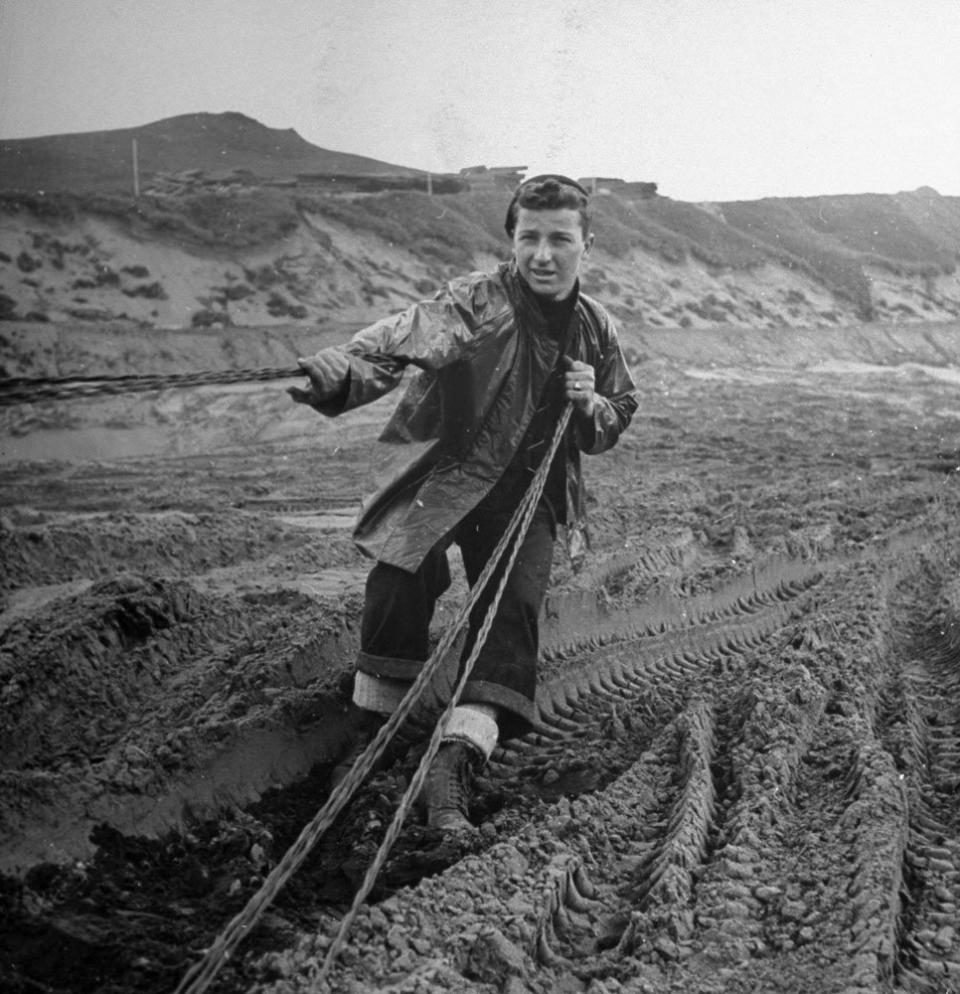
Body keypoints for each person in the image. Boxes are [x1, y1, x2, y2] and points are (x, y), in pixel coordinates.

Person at [288, 174, 638, 832]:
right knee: (398, 576)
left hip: (530, 490)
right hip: (449, 473)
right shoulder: (477, 301)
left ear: (585, 245)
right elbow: (402, 338)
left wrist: (592, 404)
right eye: (528, 237)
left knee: (515, 611)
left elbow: (620, 410)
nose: (542, 253)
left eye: (559, 239)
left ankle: (456, 759)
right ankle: (373, 732)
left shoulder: (597, 329)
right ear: (511, 240)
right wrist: (338, 370)